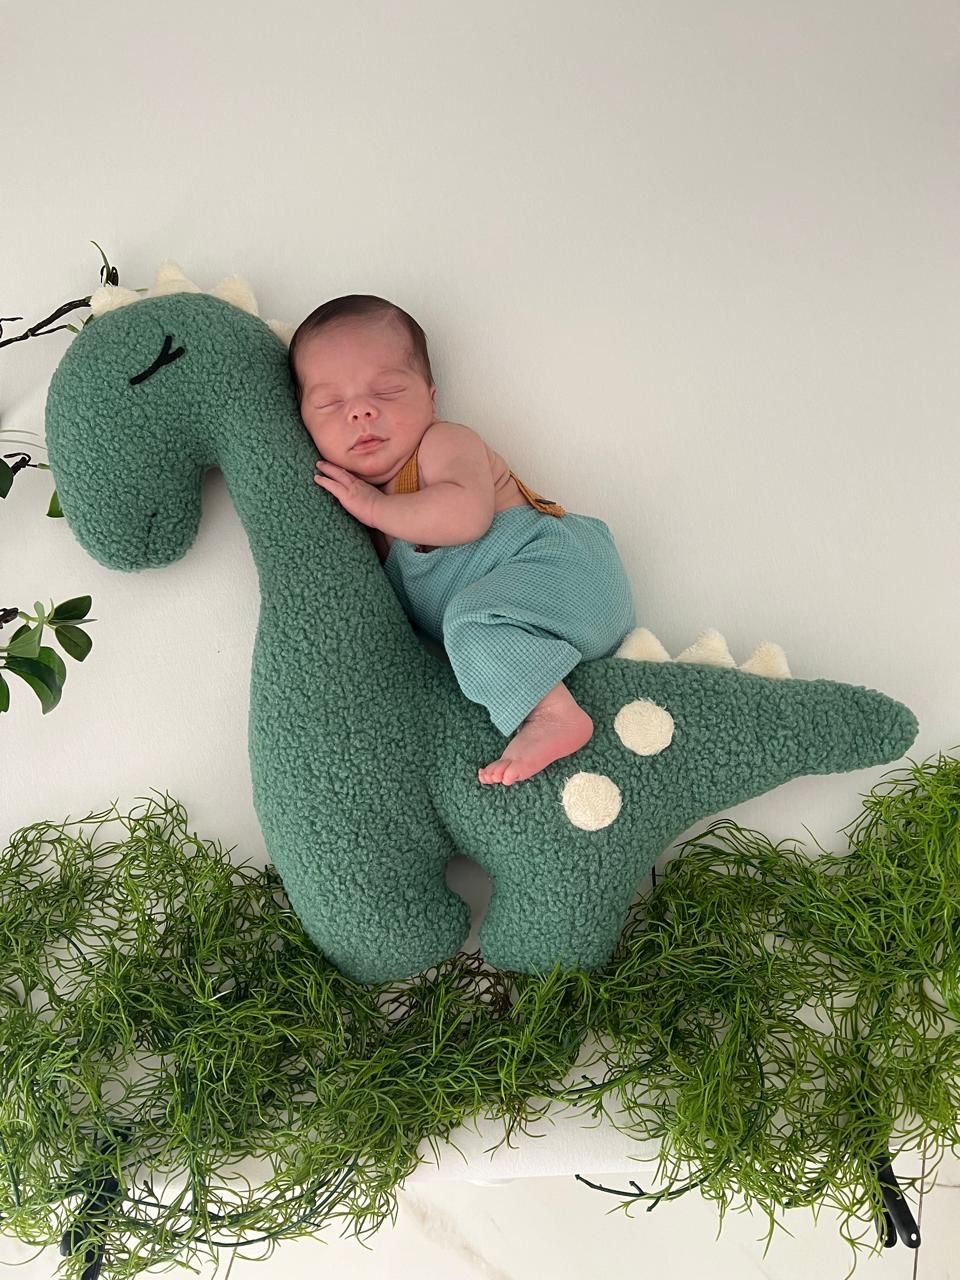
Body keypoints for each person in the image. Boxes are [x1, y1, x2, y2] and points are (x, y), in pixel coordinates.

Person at [289, 294, 635, 786]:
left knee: (471, 620)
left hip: (567, 573)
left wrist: (374, 507)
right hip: (537, 630)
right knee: (468, 634)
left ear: (430, 397)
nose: (361, 411)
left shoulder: (441, 444)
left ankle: (554, 717)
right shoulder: (354, 514)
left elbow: (466, 516)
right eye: (330, 403)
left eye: (387, 391)